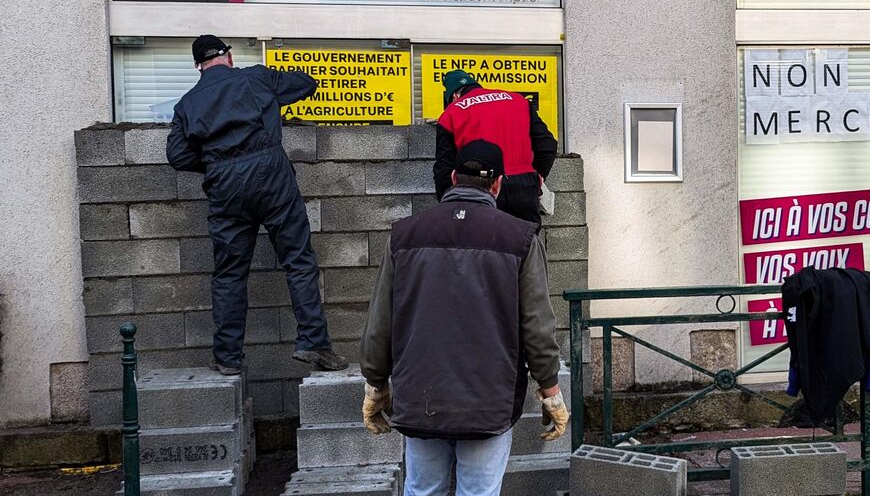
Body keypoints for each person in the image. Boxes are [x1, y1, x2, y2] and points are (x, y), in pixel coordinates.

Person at [360, 140, 569, 496]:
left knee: (423, 489)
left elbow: (381, 319)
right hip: (489, 399)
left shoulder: (404, 235)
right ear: (498, 184)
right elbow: (536, 327)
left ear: (454, 177)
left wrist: (376, 383)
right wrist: (550, 391)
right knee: (479, 492)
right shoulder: (520, 238)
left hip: (421, 395)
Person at [166, 35, 347, 375]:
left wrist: (215, 160)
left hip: (224, 185)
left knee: (230, 274)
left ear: (197, 67)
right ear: (229, 57)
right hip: (271, 175)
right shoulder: (257, 77)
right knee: (298, 261)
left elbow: (177, 156)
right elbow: (307, 84)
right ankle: (313, 342)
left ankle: (228, 357)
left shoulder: (187, 104)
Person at [433, 69, 557, 225]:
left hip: (480, 190)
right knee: (526, 244)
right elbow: (548, 145)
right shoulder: (518, 100)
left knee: (484, 246)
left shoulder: (452, 113)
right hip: (524, 188)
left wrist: (447, 204)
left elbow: (444, 168)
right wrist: (537, 176)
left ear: (454, 96)